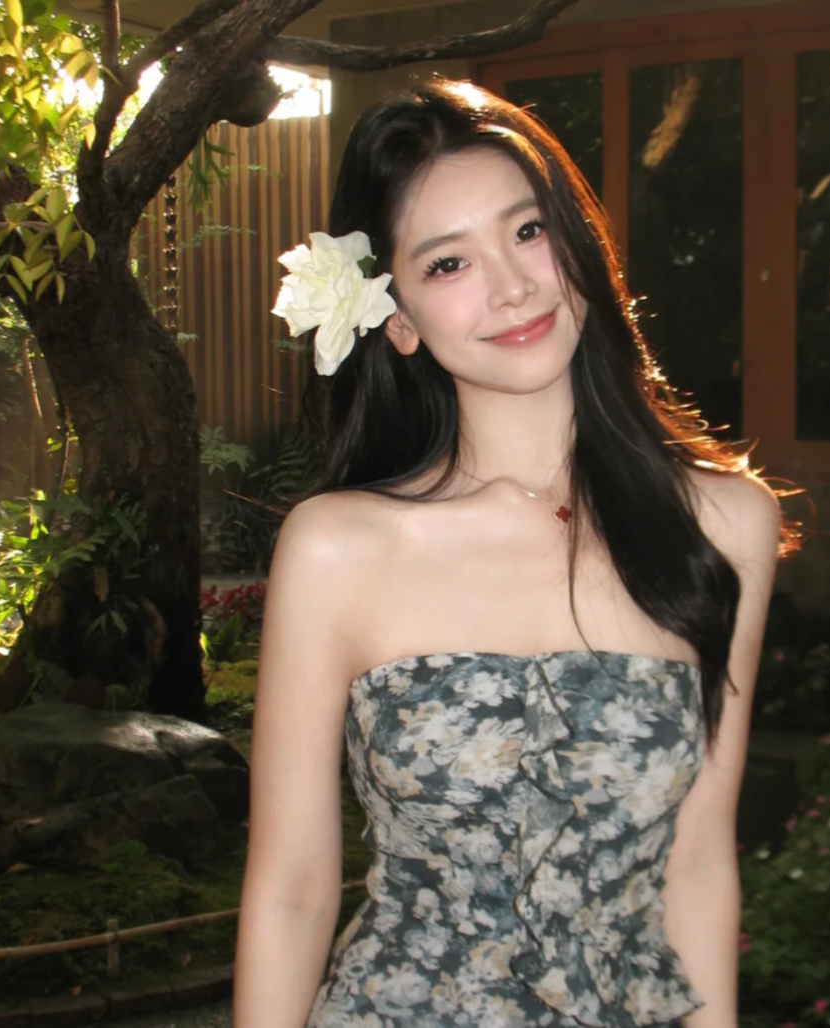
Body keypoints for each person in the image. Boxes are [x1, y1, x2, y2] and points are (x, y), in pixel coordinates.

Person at [233, 78, 788, 1028]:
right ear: (397, 317)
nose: (513, 286)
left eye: (528, 231)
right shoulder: (338, 547)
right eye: (448, 263)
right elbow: (291, 889)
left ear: (579, 246)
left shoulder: (723, 523)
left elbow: (696, 863)